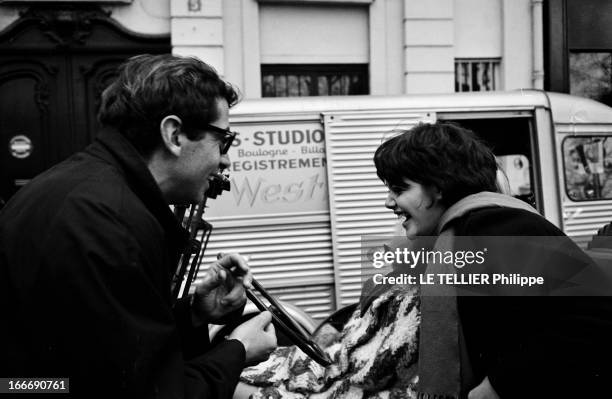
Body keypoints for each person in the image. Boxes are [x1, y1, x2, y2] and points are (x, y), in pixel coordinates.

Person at [0, 54, 277, 398]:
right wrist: (237, 350)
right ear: (174, 134)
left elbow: (108, 349)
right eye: (223, 140)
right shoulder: (110, 222)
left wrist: (193, 314)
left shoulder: (83, 190)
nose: (225, 159)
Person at [374, 122, 612, 398]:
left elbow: (591, 315)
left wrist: (497, 385)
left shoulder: (494, 225)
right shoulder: (470, 229)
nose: (389, 202)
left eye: (399, 189)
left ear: (437, 187)